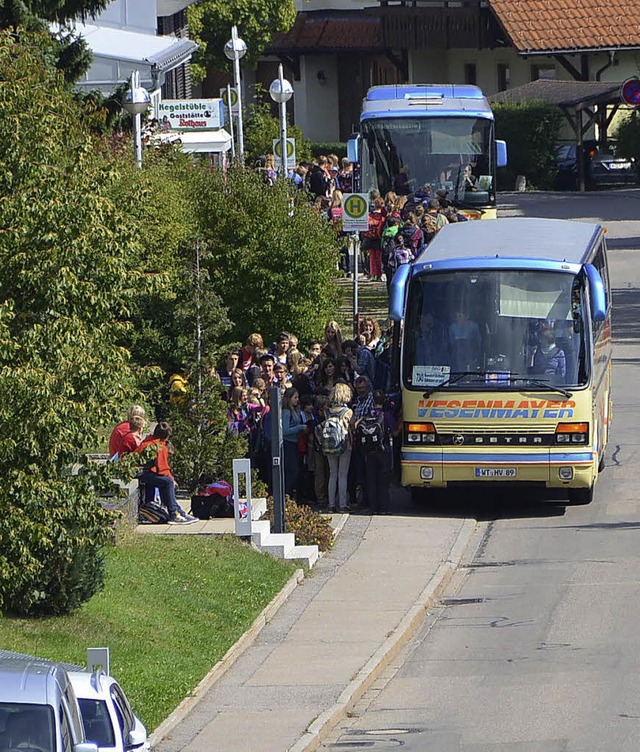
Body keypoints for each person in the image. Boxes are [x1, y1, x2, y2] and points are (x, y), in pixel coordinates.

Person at [135, 421, 197, 524]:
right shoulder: (159, 446)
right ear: (167, 436)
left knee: (165, 481)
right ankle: (174, 513)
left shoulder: (149, 440)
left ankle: (178, 511)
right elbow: (162, 468)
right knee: (168, 482)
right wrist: (172, 479)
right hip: (141, 473)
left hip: (140, 472)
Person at [357, 389, 397, 515]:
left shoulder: (368, 414)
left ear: (373, 401)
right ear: (384, 400)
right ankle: (384, 508)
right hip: (384, 450)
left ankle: (373, 507)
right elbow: (395, 432)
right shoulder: (386, 415)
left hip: (369, 451)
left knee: (371, 478)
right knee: (384, 480)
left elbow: (358, 426)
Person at [323, 383, 354, 512]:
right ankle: (342, 504)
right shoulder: (348, 412)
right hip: (344, 443)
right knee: (342, 475)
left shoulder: (327, 410)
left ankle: (331, 504)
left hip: (329, 444)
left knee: (332, 474)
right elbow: (351, 428)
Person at [282, 388, 307, 499]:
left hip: (295, 443)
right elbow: (285, 431)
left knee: (297, 471)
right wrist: (300, 427)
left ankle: (292, 495)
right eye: (295, 397)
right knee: (293, 471)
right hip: (288, 444)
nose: (297, 400)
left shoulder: (296, 410)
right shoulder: (286, 412)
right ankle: (286, 495)